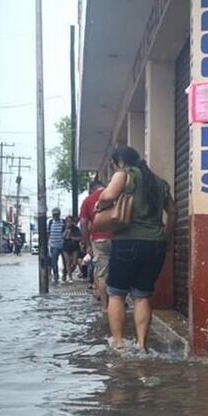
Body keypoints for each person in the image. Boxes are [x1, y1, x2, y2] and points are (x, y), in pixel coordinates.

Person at [96, 146, 175, 352]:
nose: (113, 167)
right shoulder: (160, 183)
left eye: (113, 164)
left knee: (116, 294)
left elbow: (108, 196)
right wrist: (165, 237)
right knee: (141, 296)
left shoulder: (124, 174)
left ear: (119, 161)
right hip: (155, 244)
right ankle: (141, 345)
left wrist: (100, 205)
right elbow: (173, 212)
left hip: (127, 241)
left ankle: (119, 344)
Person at [80, 179, 112, 314]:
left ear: (92, 189)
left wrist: (87, 243)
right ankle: (119, 303)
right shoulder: (113, 195)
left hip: (99, 240)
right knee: (118, 271)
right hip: (118, 238)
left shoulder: (88, 200)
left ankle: (105, 306)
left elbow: (83, 223)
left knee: (102, 274)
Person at [61, 215, 82, 282]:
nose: (69, 223)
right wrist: (66, 231)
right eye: (67, 221)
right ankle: (69, 277)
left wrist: (72, 237)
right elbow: (62, 236)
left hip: (74, 247)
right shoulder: (64, 227)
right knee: (67, 262)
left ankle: (67, 273)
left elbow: (79, 238)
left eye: (70, 221)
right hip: (66, 247)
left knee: (74, 262)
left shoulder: (76, 229)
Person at [47, 207, 66, 283]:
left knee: (65, 261)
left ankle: (65, 274)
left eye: (57, 214)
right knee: (54, 261)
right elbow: (48, 234)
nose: (55, 216)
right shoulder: (50, 222)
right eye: (54, 215)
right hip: (53, 245)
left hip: (62, 245)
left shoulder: (63, 222)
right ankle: (56, 275)